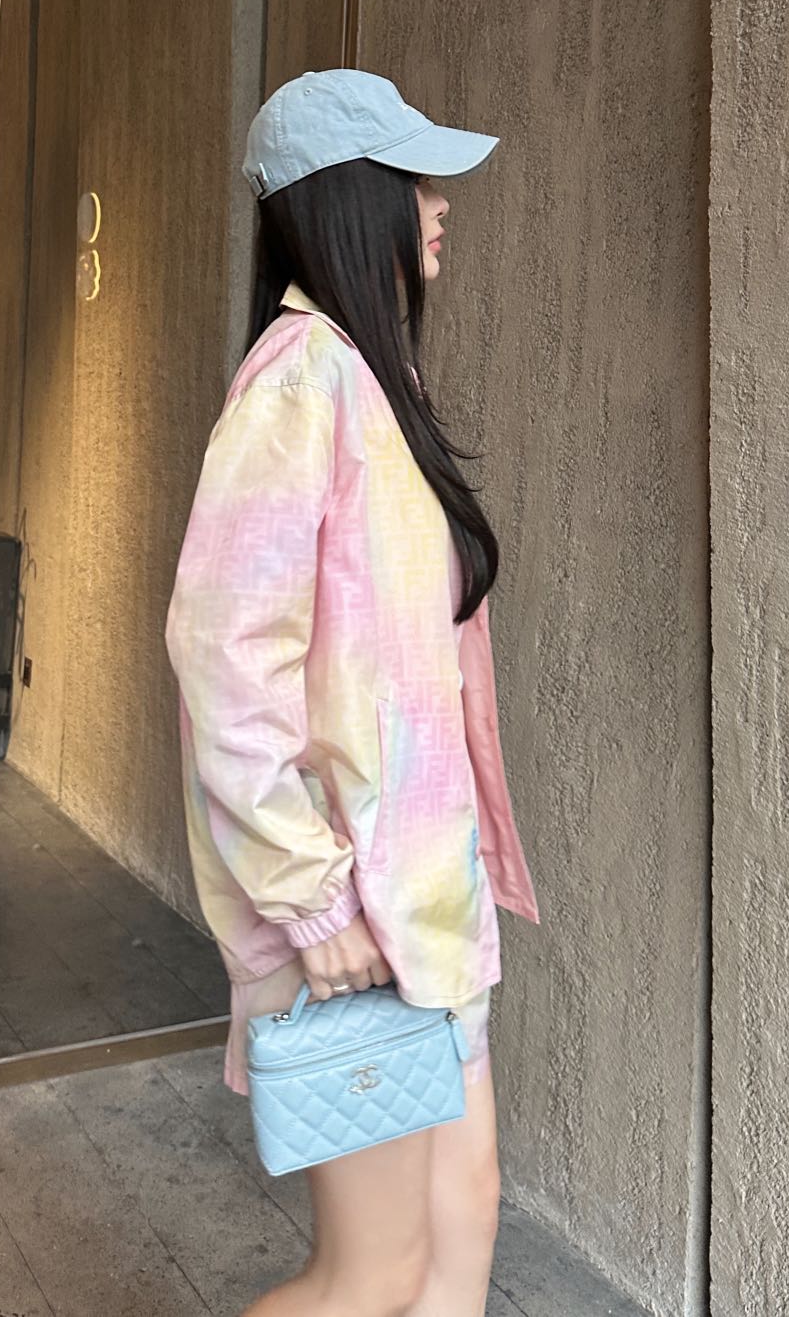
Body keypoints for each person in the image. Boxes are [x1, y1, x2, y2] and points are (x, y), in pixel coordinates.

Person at [165, 69, 541, 1317]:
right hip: (351, 917)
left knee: (464, 1216)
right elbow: (224, 659)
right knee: (368, 1276)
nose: (441, 203)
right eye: (415, 180)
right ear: (348, 199)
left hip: (423, 904)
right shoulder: (298, 383)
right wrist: (311, 896)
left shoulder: (374, 379)